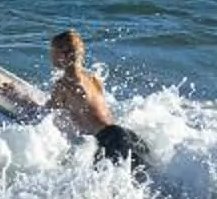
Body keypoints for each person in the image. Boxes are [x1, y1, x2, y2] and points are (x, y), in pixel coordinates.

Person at [47, 29, 149, 175]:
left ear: (62, 55)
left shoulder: (64, 84)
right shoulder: (94, 79)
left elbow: (44, 113)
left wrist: (18, 96)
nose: (51, 57)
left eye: (52, 52)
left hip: (109, 141)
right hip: (125, 134)